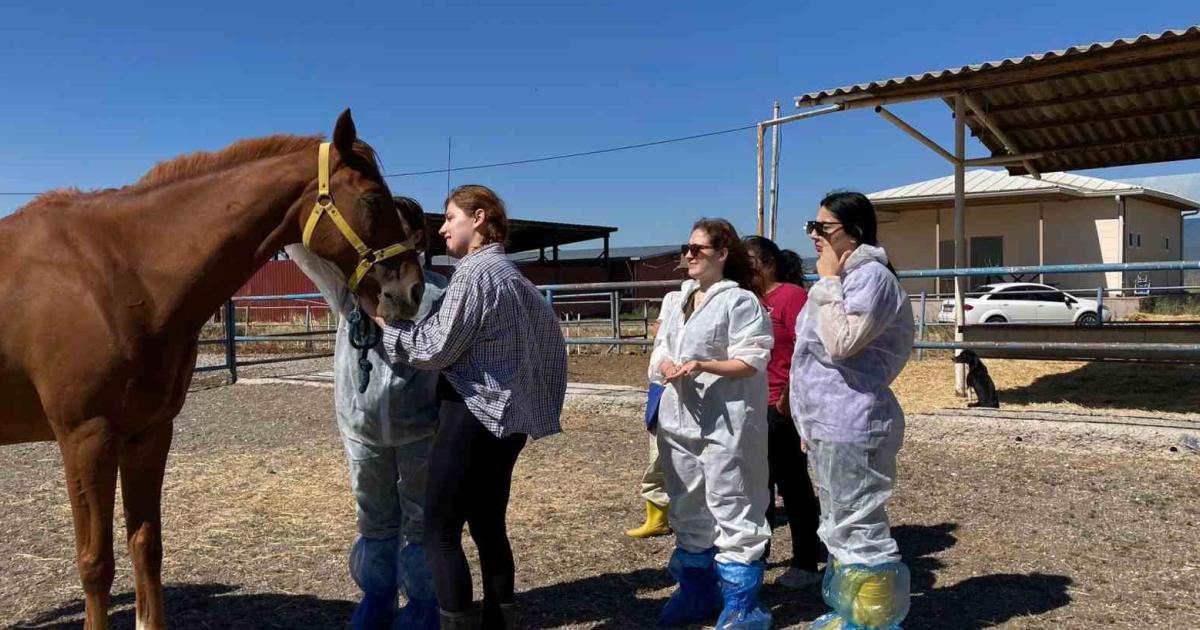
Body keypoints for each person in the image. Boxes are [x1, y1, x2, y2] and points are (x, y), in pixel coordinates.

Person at [367, 184, 567, 630]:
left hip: (471, 414)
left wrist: (386, 325)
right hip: (507, 423)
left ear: (479, 218)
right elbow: (552, 351)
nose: (441, 228)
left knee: (439, 532)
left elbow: (437, 348)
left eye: (450, 217)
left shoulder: (476, 274)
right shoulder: (516, 278)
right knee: (489, 527)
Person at [284, 197, 445, 630]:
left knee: (419, 517)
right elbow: (303, 253)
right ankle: (377, 596)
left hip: (419, 427)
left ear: (414, 237)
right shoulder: (350, 289)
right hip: (362, 427)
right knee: (372, 515)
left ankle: (424, 604)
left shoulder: (435, 292)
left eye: (398, 227)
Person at [789, 191, 914, 630]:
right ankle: (854, 614)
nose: (814, 235)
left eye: (822, 227)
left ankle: (875, 623)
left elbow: (842, 345)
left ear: (853, 231)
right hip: (829, 423)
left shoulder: (871, 278)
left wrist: (826, 284)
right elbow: (810, 360)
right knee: (840, 525)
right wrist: (806, 419)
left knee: (861, 528)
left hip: (854, 421)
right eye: (812, 226)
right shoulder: (841, 277)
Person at [649, 218, 774, 630]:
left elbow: (752, 359)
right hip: (679, 419)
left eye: (698, 249)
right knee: (687, 503)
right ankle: (697, 591)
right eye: (687, 247)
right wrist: (668, 364)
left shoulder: (738, 302)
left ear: (722, 254)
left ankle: (740, 604)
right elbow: (661, 351)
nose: (689, 255)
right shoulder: (677, 300)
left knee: (732, 503)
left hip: (725, 422)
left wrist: (703, 365)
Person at [743, 235, 825, 590]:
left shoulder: (792, 298)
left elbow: (807, 351)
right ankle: (757, 556)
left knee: (792, 484)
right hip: (752, 404)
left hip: (780, 405)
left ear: (766, 263)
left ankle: (806, 560)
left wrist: (791, 395)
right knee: (757, 486)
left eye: (746, 261)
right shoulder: (750, 301)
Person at [625, 289, 681, 539]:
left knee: (665, 453)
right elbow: (659, 335)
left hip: (675, 381)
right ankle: (657, 515)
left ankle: (664, 513)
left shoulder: (676, 299)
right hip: (662, 381)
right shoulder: (675, 297)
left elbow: (658, 331)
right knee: (658, 446)